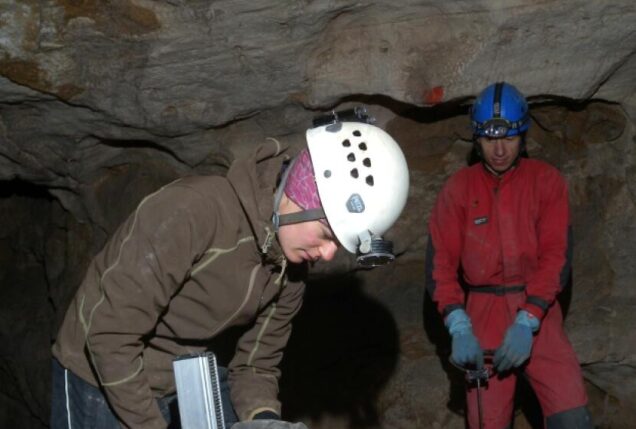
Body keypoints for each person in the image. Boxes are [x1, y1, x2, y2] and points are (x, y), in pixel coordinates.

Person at [50, 109, 410, 429]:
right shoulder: (193, 213)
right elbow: (110, 335)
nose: (328, 254)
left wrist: (263, 419)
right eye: (328, 235)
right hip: (97, 373)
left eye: (339, 246)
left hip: (176, 380)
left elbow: (255, 366)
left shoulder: (290, 273)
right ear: (300, 198)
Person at [425, 82, 593, 429]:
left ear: (523, 136)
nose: (499, 150)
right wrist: (457, 324)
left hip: (538, 310)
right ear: (477, 139)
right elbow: (440, 265)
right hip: (481, 314)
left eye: (509, 138)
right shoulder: (458, 189)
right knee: (488, 422)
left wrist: (528, 319)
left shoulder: (545, 181)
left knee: (572, 417)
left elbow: (556, 257)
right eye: (489, 140)